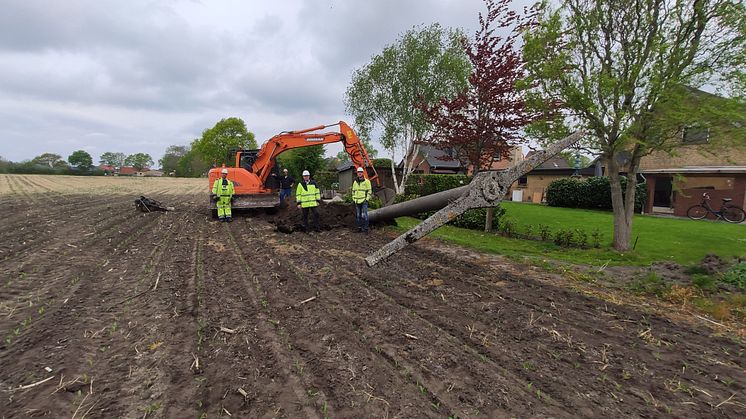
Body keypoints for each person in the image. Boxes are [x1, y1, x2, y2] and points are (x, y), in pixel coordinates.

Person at [351, 166, 372, 233]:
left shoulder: (367, 182)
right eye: (358, 172)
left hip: (364, 201)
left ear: (363, 173)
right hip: (357, 201)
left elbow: (369, 191)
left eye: (360, 172)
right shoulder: (355, 182)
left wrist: (367, 199)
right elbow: (353, 191)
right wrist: (354, 198)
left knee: (365, 215)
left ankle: (365, 229)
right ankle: (359, 228)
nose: (359, 173)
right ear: (357, 173)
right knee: (358, 215)